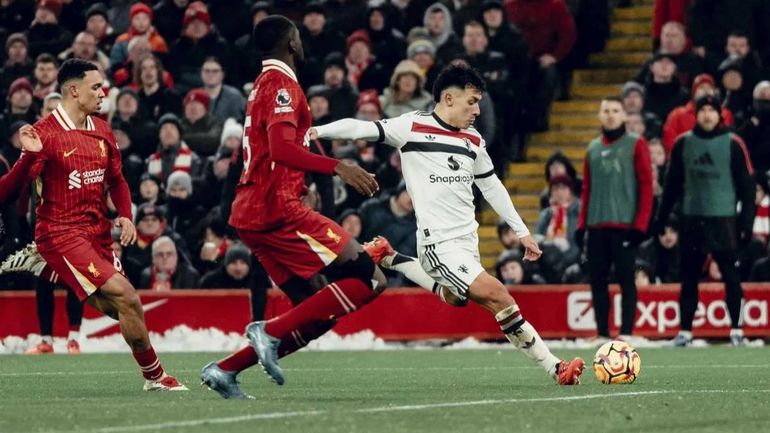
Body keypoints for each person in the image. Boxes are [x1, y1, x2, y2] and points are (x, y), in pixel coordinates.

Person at [314, 64, 585, 384]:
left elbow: (492, 187)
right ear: (448, 98)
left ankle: (391, 257)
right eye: (472, 101)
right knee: (499, 295)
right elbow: (360, 128)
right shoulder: (412, 126)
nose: (477, 110)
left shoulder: (473, 139)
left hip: (467, 242)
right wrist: (317, 131)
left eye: (478, 102)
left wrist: (522, 231)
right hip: (437, 243)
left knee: (458, 298)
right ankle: (556, 367)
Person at [200, 16, 387, 399]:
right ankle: (266, 331)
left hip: (253, 212)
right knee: (370, 279)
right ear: (291, 42)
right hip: (277, 209)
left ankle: (225, 370)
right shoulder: (282, 85)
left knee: (317, 310)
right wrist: (339, 167)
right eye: (298, 37)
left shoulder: (260, 85)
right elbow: (283, 149)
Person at [0, 59, 185, 390]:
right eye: (96, 87)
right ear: (74, 90)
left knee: (122, 309)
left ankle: (51, 270)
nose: (103, 93)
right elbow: (6, 193)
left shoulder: (102, 129)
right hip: (61, 233)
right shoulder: (44, 134)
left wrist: (125, 215)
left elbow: (117, 180)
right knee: (128, 297)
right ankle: (157, 378)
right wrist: (27, 156)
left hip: (97, 233)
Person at [654, 95, 756, 347]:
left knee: (731, 277)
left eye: (712, 110)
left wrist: (746, 224)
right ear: (696, 114)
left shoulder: (733, 143)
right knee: (689, 277)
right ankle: (685, 332)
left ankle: (737, 330)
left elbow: (747, 188)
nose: (707, 114)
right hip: (692, 219)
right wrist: (661, 219)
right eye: (703, 110)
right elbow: (671, 186)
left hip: (723, 220)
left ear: (720, 114)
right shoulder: (682, 144)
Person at [575, 96, 654, 343]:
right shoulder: (592, 148)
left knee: (626, 280)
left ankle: (627, 333)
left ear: (624, 115)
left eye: (615, 110)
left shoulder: (636, 144)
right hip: (596, 225)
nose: (610, 115)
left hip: (624, 226)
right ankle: (602, 333)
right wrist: (581, 225)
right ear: (600, 115)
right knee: (597, 280)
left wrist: (641, 225)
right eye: (606, 110)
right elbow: (587, 189)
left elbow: (647, 185)